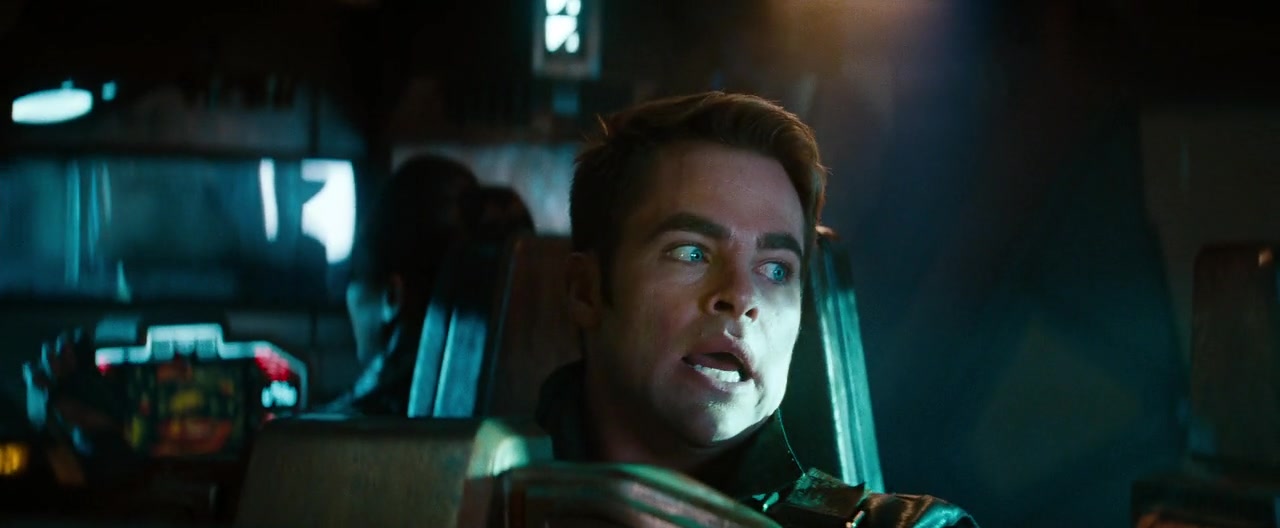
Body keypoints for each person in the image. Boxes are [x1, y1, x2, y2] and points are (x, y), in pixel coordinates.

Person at [540, 91, 978, 527]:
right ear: (586, 291)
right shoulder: (499, 497)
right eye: (691, 253)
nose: (743, 296)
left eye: (775, 269)